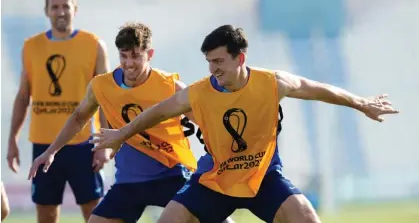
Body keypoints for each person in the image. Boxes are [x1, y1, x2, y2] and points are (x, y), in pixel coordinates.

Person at [90, 24, 400, 223]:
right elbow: (156, 112)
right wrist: (121, 134)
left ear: (240, 58)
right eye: (209, 62)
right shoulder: (199, 92)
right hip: (216, 179)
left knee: (306, 217)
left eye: (219, 62)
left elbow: (316, 88)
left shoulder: (272, 82)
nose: (213, 69)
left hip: (262, 177)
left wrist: (360, 103)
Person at [28, 22, 235, 223]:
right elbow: (79, 118)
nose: (128, 63)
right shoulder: (102, 86)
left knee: (214, 216)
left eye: (136, 56)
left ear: (150, 54)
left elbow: (206, 124)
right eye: (123, 56)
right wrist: (51, 151)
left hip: (171, 175)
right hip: (129, 182)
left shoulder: (170, 87)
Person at [7, 0, 111, 223]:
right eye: (55, 7)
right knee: (46, 213)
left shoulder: (94, 45)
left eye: (66, 6)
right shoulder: (31, 46)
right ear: (46, 11)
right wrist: (12, 139)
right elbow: (23, 96)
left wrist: (105, 144)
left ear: (75, 9)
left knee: (95, 213)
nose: (60, 11)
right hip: (43, 144)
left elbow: (105, 98)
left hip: (83, 143)